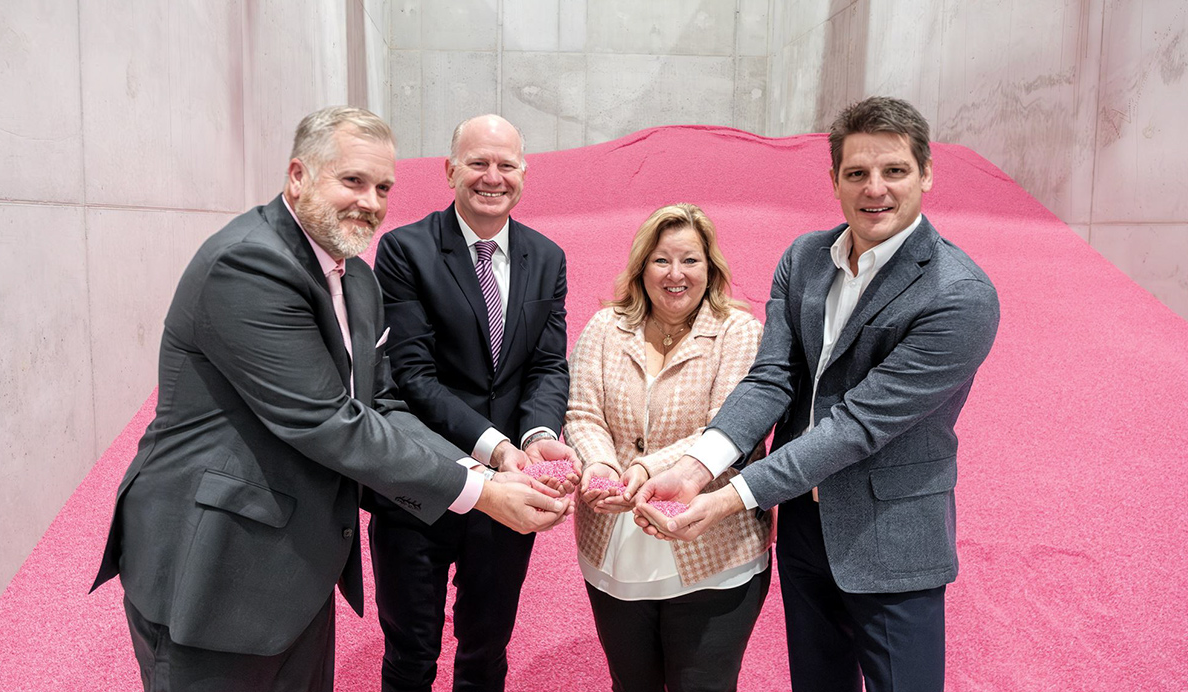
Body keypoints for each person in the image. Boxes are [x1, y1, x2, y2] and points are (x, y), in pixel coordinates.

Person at [90, 106, 570, 692]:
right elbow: (327, 420)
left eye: (383, 186)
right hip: (214, 562)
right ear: (298, 176)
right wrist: (482, 492)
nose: (370, 201)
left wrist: (483, 463)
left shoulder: (354, 278)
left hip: (299, 563)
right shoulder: (249, 261)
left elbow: (384, 402)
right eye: (352, 181)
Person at [634, 97, 1002, 692]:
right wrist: (699, 467)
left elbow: (857, 425)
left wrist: (728, 500)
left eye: (895, 170)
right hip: (805, 532)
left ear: (927, 173)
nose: (874, 189)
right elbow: (771, 378)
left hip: (893, 538)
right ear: (834, 180)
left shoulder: (959, 295)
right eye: (856, 173)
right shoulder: (804, 259)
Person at [365, 114, 578, 692]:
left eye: (506, 164)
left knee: (486, 651)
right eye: (478, 163)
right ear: (450, 170)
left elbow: (548, 364)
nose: (492, 176)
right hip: (421, 484)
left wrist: (535, 437)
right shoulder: (405, 250)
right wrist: (498, 448)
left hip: (512, 494)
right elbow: (412, 376)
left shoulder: (548, 257)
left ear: (524, 174)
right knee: (411, 653)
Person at [564, 203, 773, 692]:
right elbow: (582, 414)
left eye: (690, 260)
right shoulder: (603, 327)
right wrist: (599, 469)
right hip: (612, 539)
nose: (675, 274)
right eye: (661, 260)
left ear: (711, 268)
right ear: (641, 267)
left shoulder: (739, 332)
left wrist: (639, 469)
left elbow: (725, 430)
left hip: (713, 549)